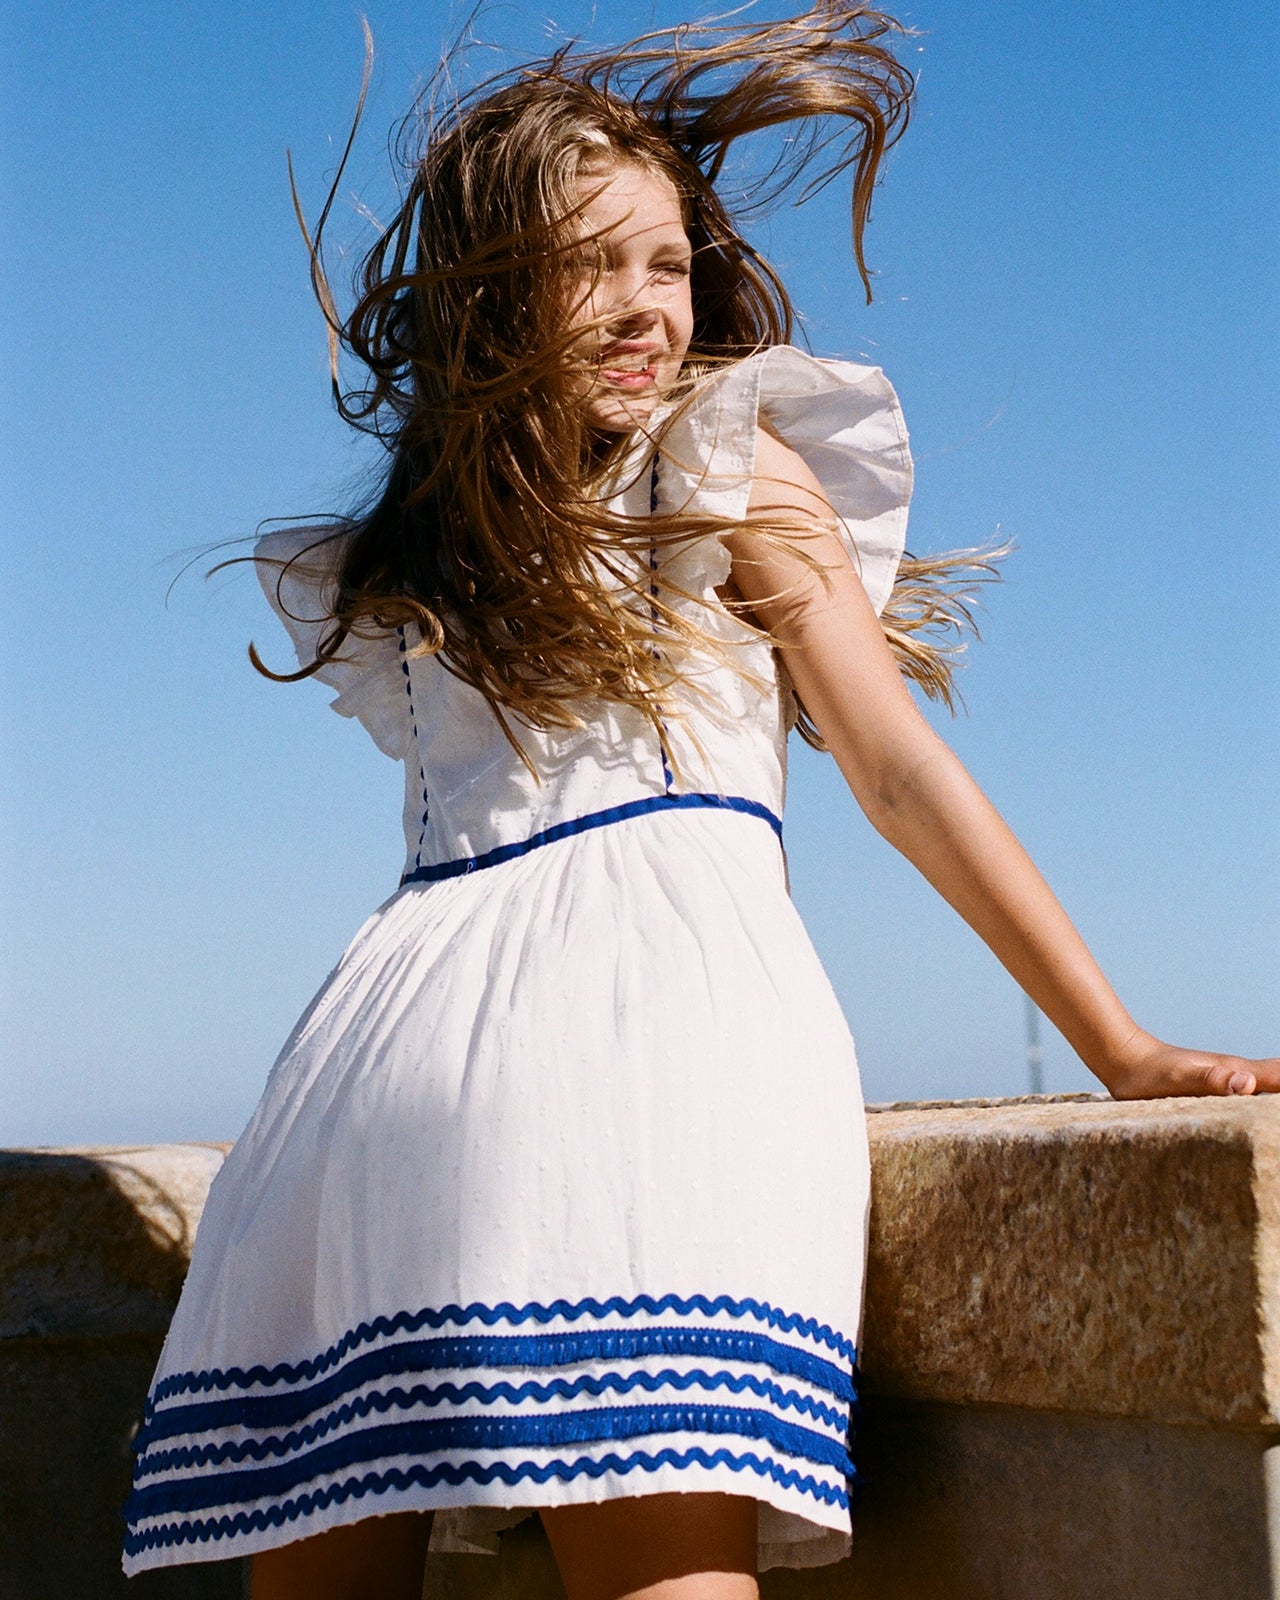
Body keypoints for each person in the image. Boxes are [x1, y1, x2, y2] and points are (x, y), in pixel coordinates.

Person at [122, 6, 1279, 1596]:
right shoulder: (555, 513)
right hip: (595, 1056)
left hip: (387, 1070)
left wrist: (1125, 1050)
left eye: (666, 265)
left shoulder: (553, 504)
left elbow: (895, 768)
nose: (645, 308)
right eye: (591, 266)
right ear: (494, 293)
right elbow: (893, 769)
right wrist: (1122, 1050)